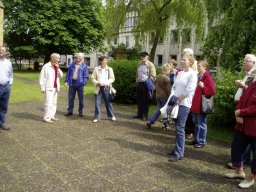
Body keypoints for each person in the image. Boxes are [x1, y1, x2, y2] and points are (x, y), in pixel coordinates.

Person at [225, 80, 256, 189]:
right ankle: (239, 170)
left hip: (253, 125)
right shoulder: (253, 83)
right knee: (236, 146)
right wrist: (238, 111)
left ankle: (251, 177)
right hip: (242, 123)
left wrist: (241, 112)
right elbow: (243, 98)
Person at [227, 54, 256, 169]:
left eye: (246, 61)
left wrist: (243, 86)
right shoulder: (248, 74)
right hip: (242, 108)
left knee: (246, 135)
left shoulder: (254, 74)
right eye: (244, 60)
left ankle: (243, 161)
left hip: (247, 111)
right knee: (242, 136)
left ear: (253, 63)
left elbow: (251, 94)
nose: (244, 62)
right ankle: (241, 161)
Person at [168, 53, 197, 162]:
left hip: (184, 103)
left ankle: (179, 153)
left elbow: (189, 90)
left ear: (190, 62)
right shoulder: (180, 73)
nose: (183, 61)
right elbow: (174, 86)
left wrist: (178, 99)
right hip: (176, 101)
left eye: (185, 60)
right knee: (177, 126)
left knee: (180, 127)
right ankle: (176, 148)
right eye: (182, 59)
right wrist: (173, 97)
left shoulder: (193, 74)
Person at [189, 60, 216, 148]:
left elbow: (212, 91)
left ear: (205, 67)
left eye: (200, 66)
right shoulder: (199, 76)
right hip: (196, 103)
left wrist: (203, 86)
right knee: (196, 122)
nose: (198, 67)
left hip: (201, 104)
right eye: (198, 66)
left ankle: (201, 141)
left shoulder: (207, 77)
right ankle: (196, 139)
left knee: (201, 123)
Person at [39, 53, 63, 123]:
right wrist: (42, 88)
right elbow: (42, 77)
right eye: (57, 58)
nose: (58, 59)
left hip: (56, 87)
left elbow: (61, 76)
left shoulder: (56, 66)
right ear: (52, 58)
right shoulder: (46, 66)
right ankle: (46, 117)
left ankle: (52, 115)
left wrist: (58, 68)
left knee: (54, 103)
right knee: (48, 103)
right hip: (49, 87)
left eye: (59, 58)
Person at [91, 55, 116, 123]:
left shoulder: (109, 69)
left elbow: (112, 78)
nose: (106, 61)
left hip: (107, 88)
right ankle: (97, 117)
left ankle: (112, 116)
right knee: (97, 103)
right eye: (105, 60)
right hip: (98, 88)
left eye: (106, 60)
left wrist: (106, 82)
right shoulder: (96, 69)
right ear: (101, 61)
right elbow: (93, 78)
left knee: (108, 102)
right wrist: (97, 82)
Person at [147, 63, 171, 129]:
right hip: (165, 97)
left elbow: (155, 85)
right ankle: (165, 125)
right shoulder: (167, 78)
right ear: (167, 70)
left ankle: (150, 121)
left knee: (158, 110)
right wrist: (171, 96)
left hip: (158, 96)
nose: (169, 72)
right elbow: (168, 89)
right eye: (169, 70)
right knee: (165, 111)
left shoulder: (158, 76)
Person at [64, 53, 89, 117]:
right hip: (72, 83)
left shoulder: (84, 66)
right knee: (70, 98)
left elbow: (86, 76)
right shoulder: (72, 64)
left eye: (80, 56)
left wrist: (83, 82)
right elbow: (68, 74)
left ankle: (80, 112)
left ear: (82, 58)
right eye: (77, 56)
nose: (78, 57)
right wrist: (66, 81)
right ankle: (70, 111)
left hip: (80, 84)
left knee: (81, 99)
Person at [133, 51, 156, 121]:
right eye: (141, 56)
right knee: (139, 100)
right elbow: (137, 73)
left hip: (146, 84)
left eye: (144, 56)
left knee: (146, 100)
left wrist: (148, 81)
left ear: (147, 57)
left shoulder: (150, 65)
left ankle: (145, 115)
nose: (142, 57)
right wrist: (137, 80)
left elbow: (153, 75)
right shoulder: (139, 64)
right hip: (140, 84)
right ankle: (139, 114)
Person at [182, 48, 198, 140]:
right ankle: (186, 129)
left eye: (185, 54)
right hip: (185, 91)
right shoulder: (185, 63)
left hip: (191, 92)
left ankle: (190, 131)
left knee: (190, 112)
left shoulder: (194, 64)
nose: (184, 55)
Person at [0, 46, 13, 131]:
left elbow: (11, 74)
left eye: (2, 50)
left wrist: (9, 84)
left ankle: (2, 123)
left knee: (4, 107)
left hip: (6, 87)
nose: (0, 51)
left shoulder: (8, 62)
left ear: (6, 52)